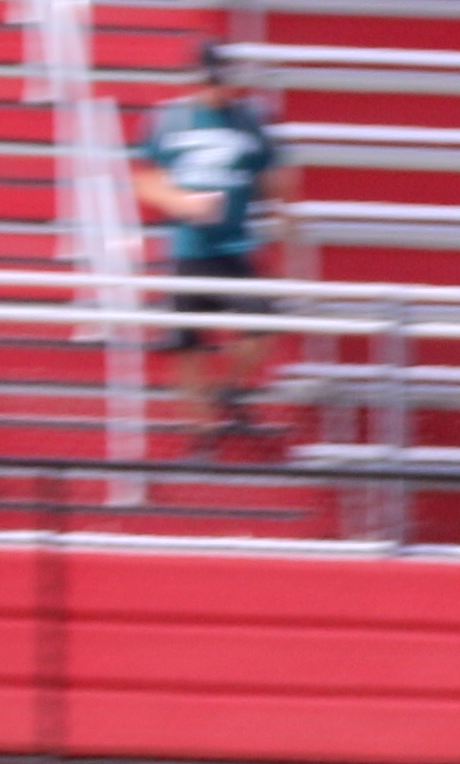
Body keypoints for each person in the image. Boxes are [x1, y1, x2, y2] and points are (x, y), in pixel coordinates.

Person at [129, 41, 289, 454]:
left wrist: (282, 211)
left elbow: (270, 173)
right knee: (187, 343)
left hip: (235, 244)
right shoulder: (171, 119)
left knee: (262, 327)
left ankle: (227, 391)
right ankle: (200, 429)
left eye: (223, 81)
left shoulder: (249, 121)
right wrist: (181, 203)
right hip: (189, 246)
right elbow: (146, 179)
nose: (218, 89)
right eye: (211, 80)